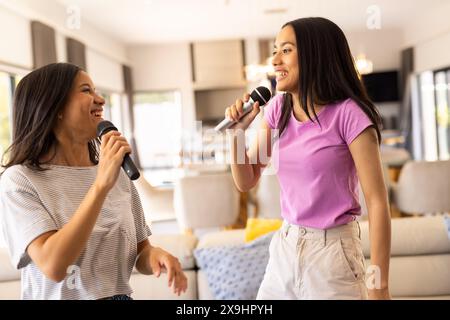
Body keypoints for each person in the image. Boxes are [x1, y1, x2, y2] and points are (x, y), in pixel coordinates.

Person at [225, 17, 391, 300]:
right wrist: (237, 134)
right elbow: (247, 179)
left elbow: (376, 202)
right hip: (285, 248)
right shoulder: (278, 109)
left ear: (316, 55)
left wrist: (378, 285)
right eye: (275, 50)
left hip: (333, 254)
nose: (275, 60)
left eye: (286, 50)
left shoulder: (349, 115)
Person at [0, 63, 187, 300]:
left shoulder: (116, 172)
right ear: (54, 106)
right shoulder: (20, 181)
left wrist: (157, 256)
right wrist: (100, 186)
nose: (100, 100)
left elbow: (141, 251)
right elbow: (54, 265)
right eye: (86, 90)